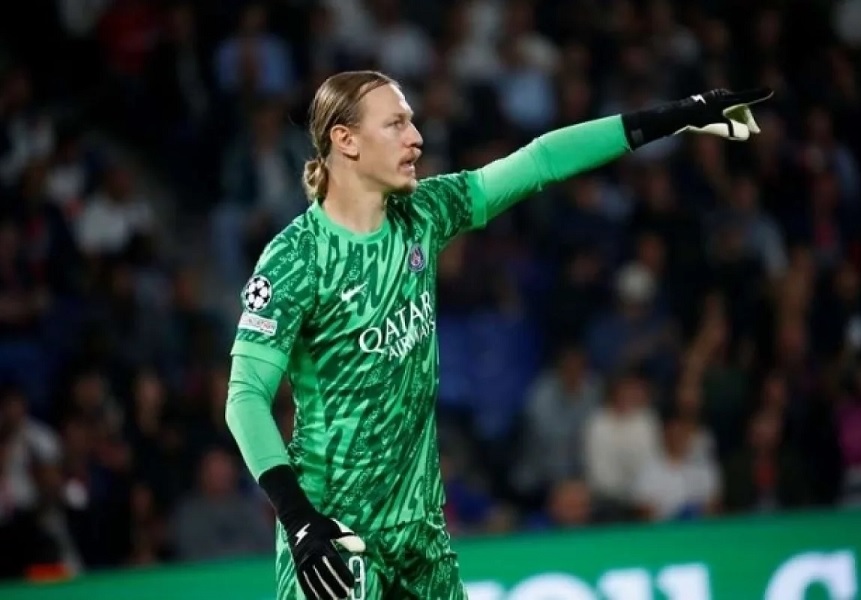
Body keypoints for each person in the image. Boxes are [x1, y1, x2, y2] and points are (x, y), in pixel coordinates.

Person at [224, 70, 771, 600]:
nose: (416, 138)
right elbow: (245, 396)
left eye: (411, 121)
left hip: (419, 532)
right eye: (395, 124)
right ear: (345, 140)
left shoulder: (425, 212)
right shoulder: (296, 259)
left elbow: (540, 161)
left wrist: (672, 117)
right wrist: (298, 519)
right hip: (334, 531)